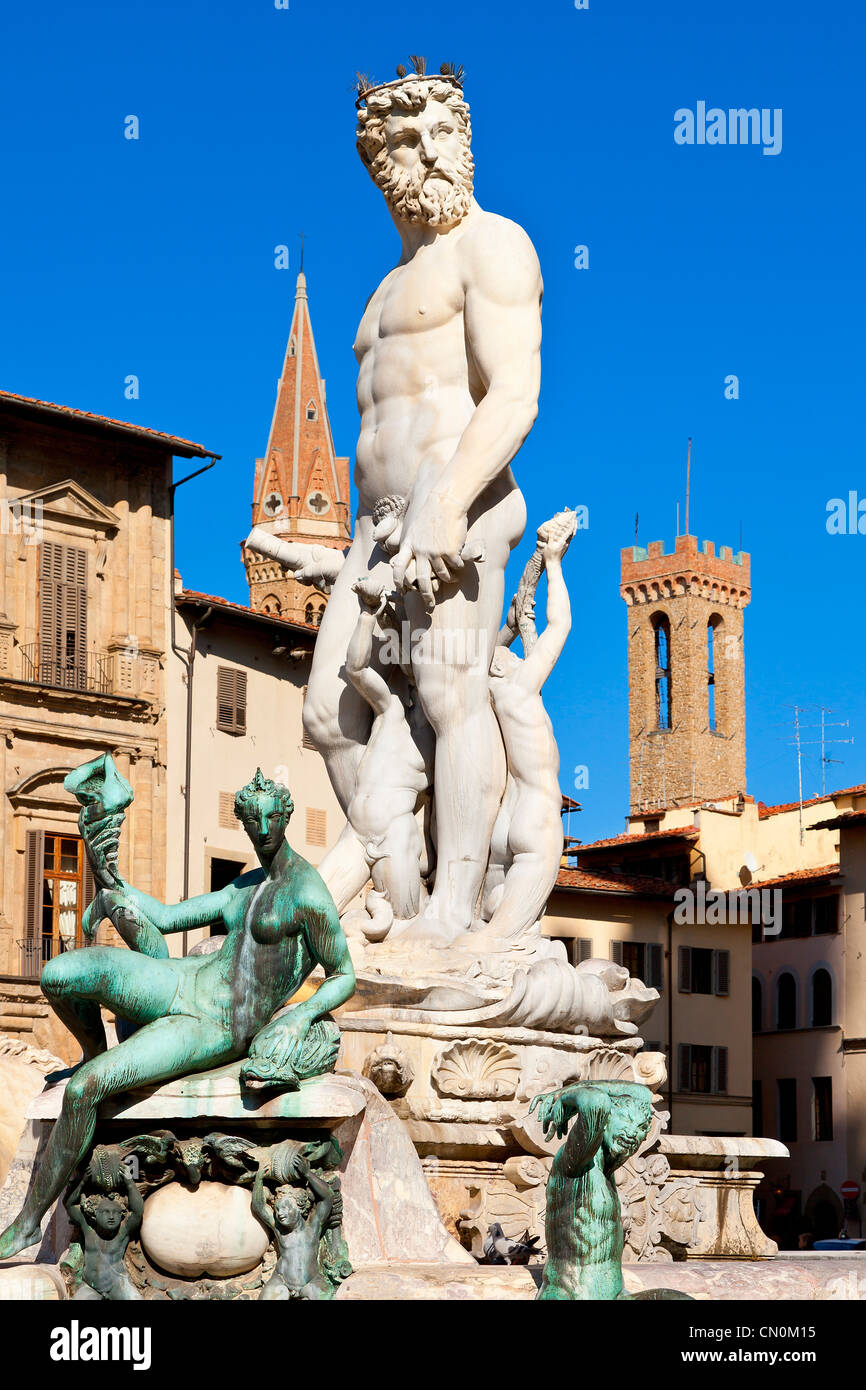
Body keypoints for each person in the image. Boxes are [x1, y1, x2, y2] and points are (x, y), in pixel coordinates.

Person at [298, 62, 542, 943]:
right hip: (376, 532)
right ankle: (398, 900)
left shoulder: (495, 245)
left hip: (458, 507)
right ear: (378, 162)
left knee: (449, 697)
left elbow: (514, 394)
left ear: (465, 142)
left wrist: (446, 504)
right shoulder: (382, 291)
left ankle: (453, 913)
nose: (429, 152)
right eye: (406, 139)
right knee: (328, 714)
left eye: (444, 132)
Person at [0, 768, 354, 1259]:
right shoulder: (245, 886)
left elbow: (344, 973)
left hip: (214, 1024)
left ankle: (28, 1222)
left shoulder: (308, 894)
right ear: (245, 824)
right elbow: (166, 917)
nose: (264, 829)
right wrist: (114, 882)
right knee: (57, 975)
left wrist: (300, 1014)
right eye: (254, 820)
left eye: (272, 817)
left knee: (84, 1091)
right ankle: (92, 1050)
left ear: (286, 817)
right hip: (182, 980)